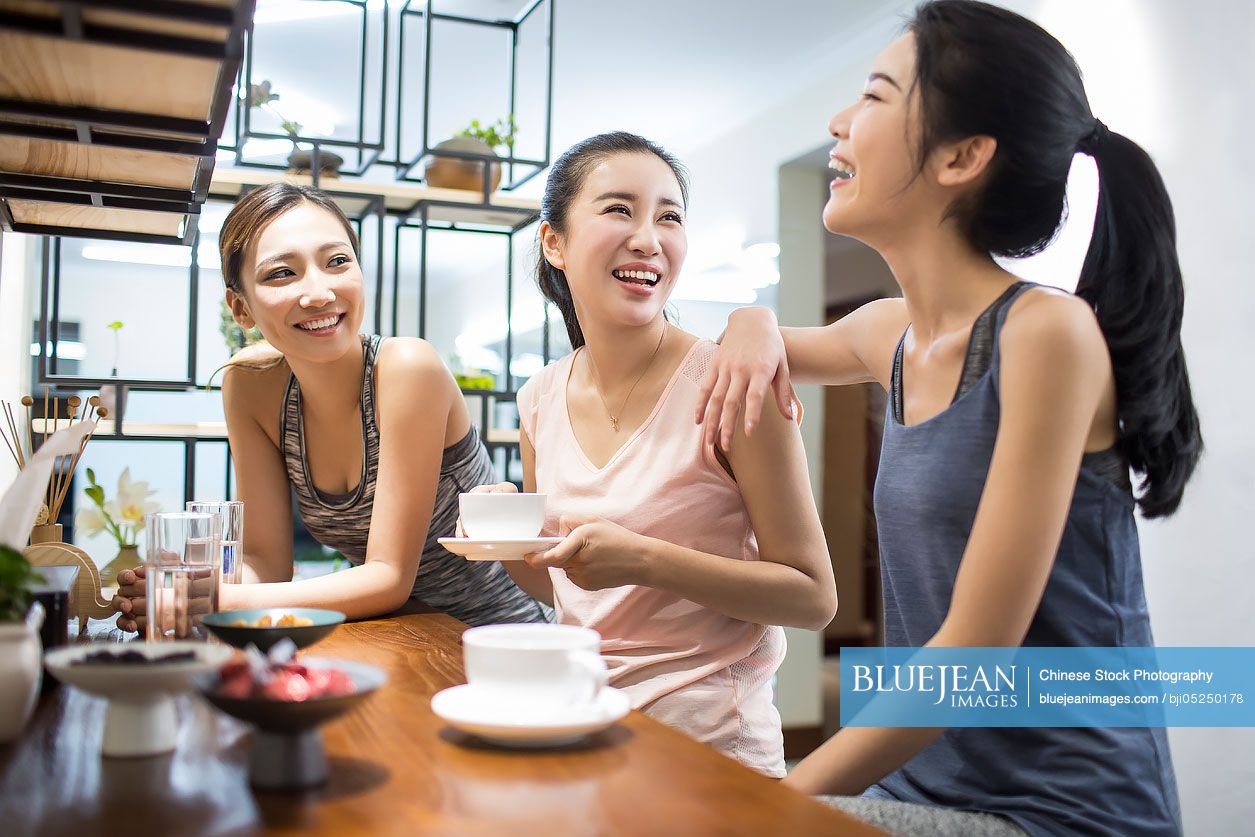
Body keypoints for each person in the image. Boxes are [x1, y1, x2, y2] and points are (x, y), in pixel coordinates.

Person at [696, 2, 1200, 834]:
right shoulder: (889, 331)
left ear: (962, 156)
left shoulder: (1046, 334)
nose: (837, 122)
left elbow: (973, 652)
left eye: (874, 95)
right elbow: (760, 343)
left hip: (1063, 810)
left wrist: (773, 800)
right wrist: (749, 321)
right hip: (921, 788)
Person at [475, 132, 836, 778]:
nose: (648, 238)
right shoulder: (538, 399)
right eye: (619, 210)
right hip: (581, 726)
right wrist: (515, 545)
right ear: (552, 241)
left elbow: (812, 596)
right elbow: (564, 580)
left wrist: (643, 559)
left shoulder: (730, 380)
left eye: (668, 217)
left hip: (713, 756)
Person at [113, 183, 550, 631]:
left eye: (337, 261)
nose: (319, 294)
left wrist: (216, 598)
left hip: (501, 635)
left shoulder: (407, 368)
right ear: (240, 308)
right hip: (395, 636)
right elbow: (266, 561)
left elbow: (388, 578)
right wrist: (188, 585)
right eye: (282, 273)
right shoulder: (249, 387)